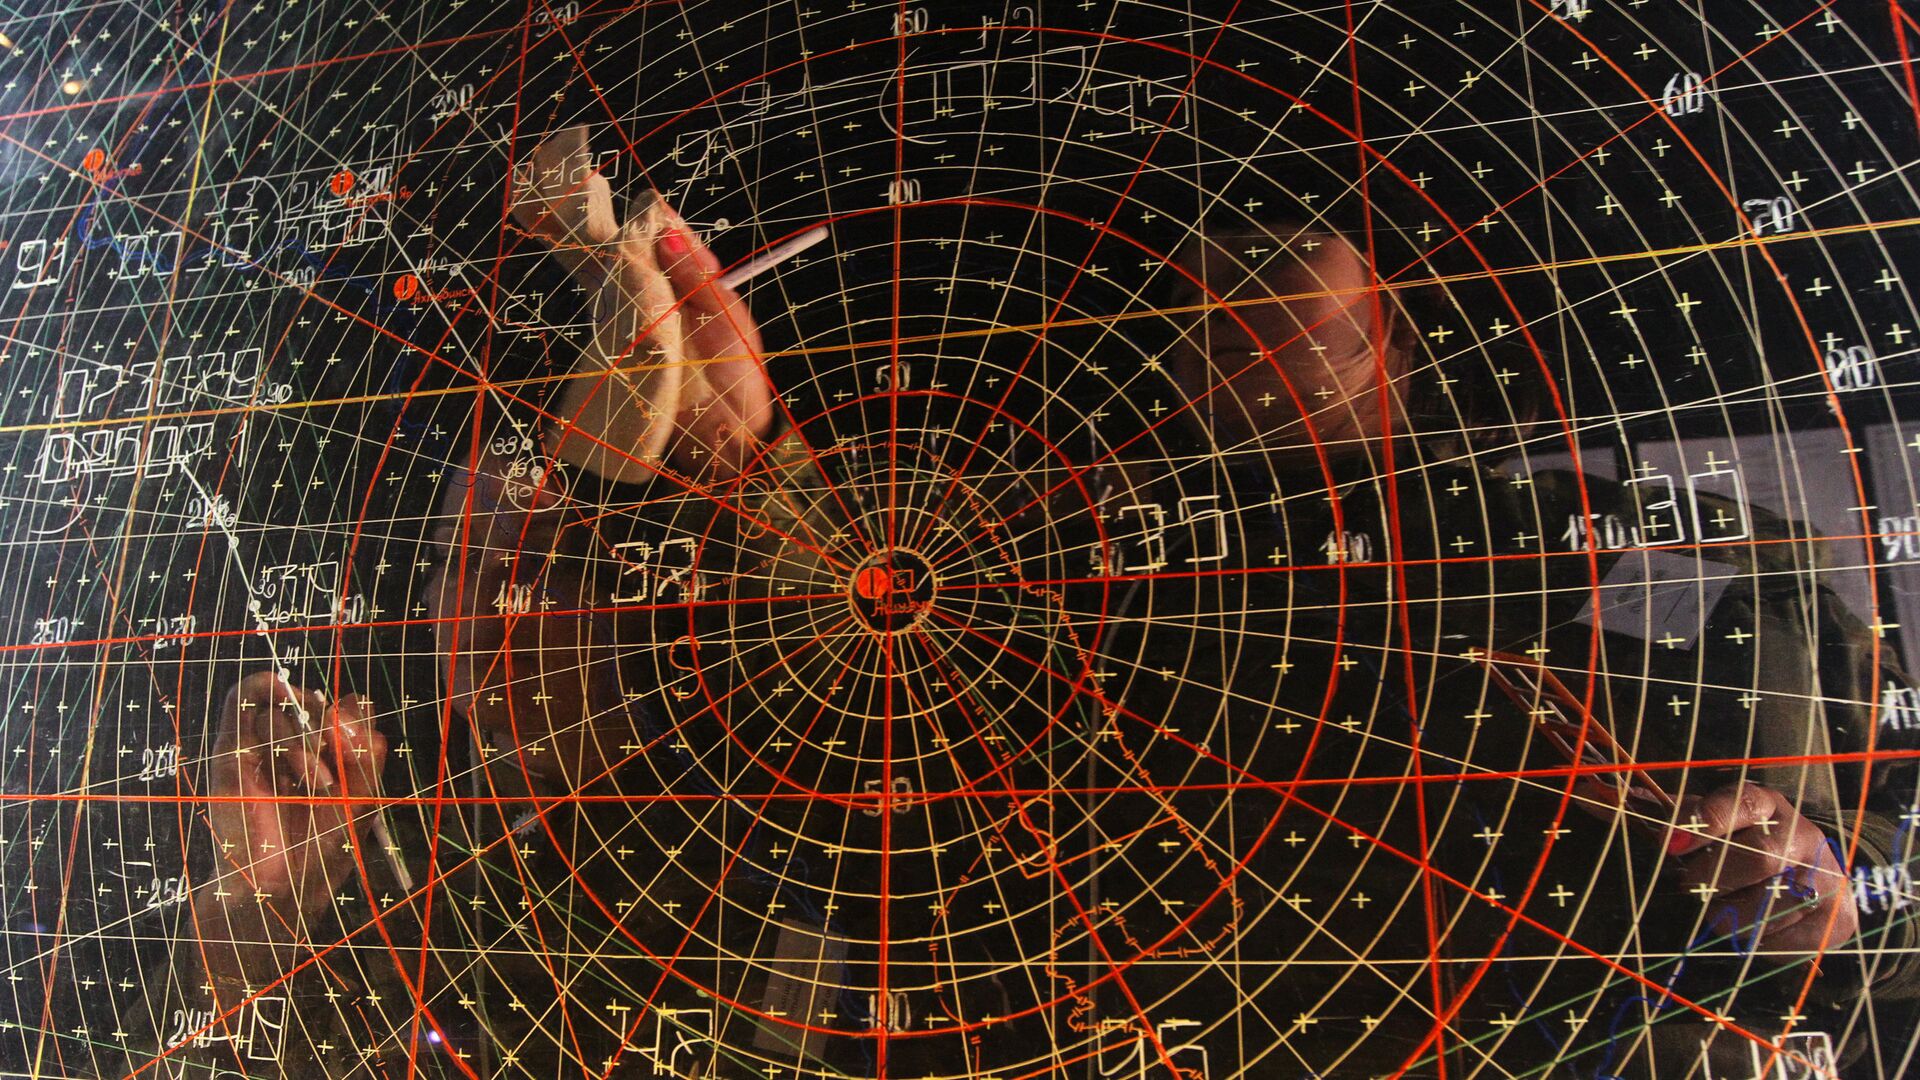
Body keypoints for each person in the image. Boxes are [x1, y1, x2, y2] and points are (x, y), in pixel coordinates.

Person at [1102, 212, 1920, 1076]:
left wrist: (1849, 880)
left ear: (1399, 334)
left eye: (1286, 265)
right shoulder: (1082, 603)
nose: (1232, 317)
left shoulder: (1690, 555)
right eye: (1203, 315)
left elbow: (1899, 825)